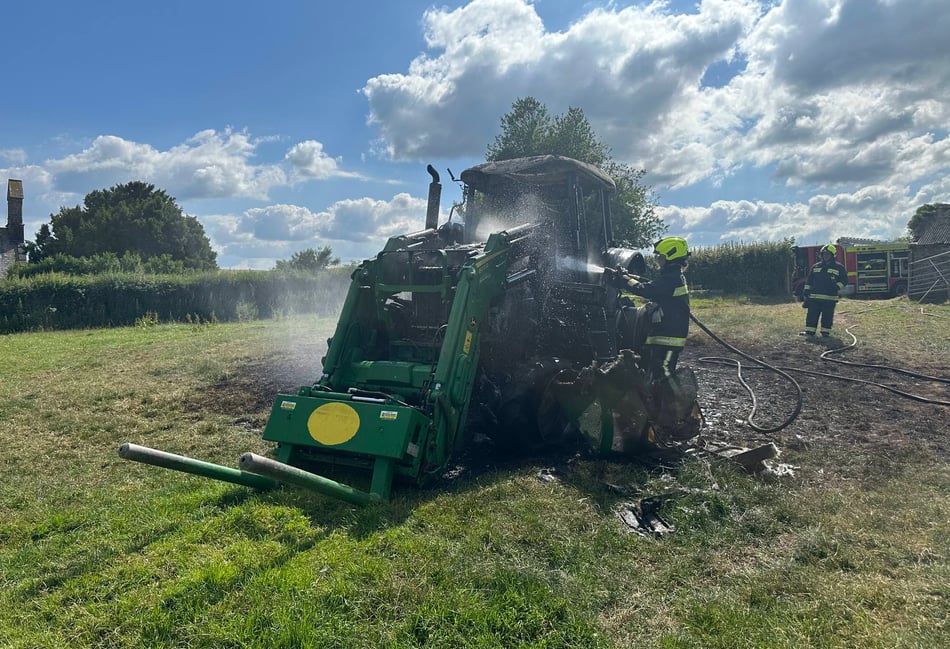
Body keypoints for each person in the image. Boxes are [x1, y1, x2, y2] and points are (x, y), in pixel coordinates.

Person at [607, 236, 691, 383]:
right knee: (651, 371)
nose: (658, 260)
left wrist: (624, 280)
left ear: (671, 256)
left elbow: (647, 290)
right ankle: (655, 400)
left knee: (665, 373)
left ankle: (672, 402)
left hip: (670, 339)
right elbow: (651, 284)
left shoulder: (672, 278)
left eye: (660, 256)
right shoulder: (672, 276)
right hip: (663, 336)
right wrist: (628, 276)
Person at [800, 243, 847, 337]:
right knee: (812, 315)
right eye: (824, 254)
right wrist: (806, 292)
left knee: (827, 317)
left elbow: (844, 281)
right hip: (814, 298)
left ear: (833, 255)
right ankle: (809, 332)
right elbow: (809, 281)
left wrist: (836, 286)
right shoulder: (816, 267)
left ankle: (825, 333)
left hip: (830, 298)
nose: (825, 256)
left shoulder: (839, 267)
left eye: (828, 254)